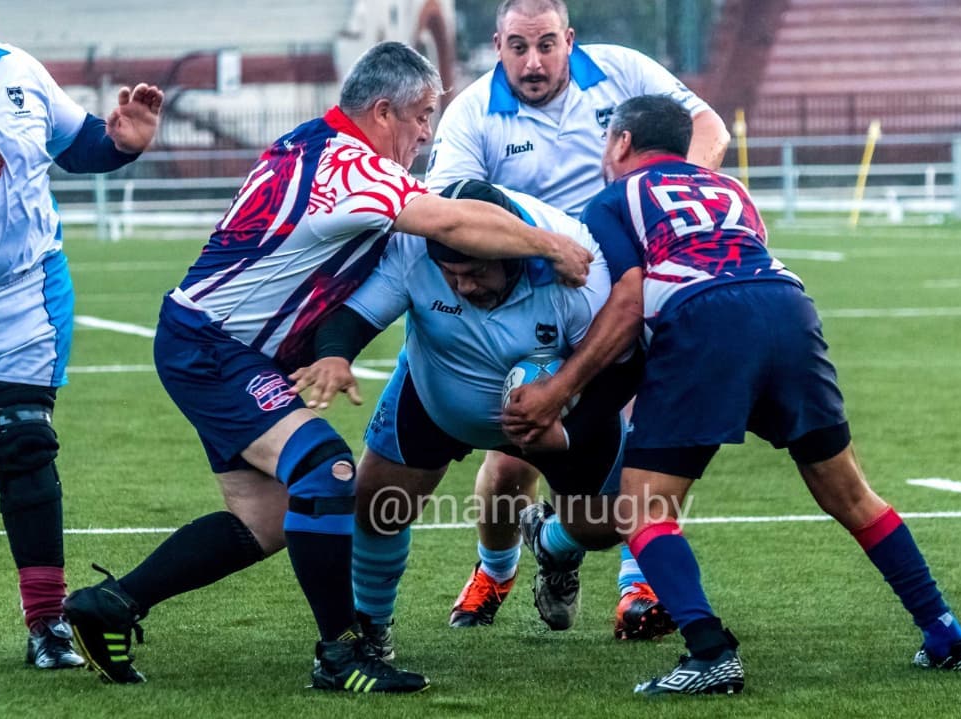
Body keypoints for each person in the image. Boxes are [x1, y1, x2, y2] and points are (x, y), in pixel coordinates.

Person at [61, 42, 591, 694]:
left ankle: (112, 602)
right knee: (329, 471)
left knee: (271, 518)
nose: (428, 131)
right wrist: (551, 245)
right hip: (217, 348)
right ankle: (341, 654)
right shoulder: (350, 167)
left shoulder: (314, 144)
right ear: (383, 109)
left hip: (218, 345)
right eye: (423, 115)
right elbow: (449, 217)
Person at [502, 94, 961, 696]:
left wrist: (558, 390)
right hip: (789, 308)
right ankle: (947, 635)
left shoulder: (612, 198)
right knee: (850, 494)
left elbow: (628, 302)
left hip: (705, 318)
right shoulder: (730, 190)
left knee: (641, 508)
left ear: (621, 143)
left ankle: (710, 654)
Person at [426, 0, 732, 639]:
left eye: (545, 45)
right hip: (532, 296)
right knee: (514, 458)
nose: (532, 62)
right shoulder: (472, 112)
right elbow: (454, 209)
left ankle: (636, 584)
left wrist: (666, 202)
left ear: (569, 38)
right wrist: (542, 244)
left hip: (625, 290)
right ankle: (498, 567)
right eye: (517, 47)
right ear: (498, 43)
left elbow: (708, 128)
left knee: (642, 439)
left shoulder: (623, 70)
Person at [290, 180, 641, 668]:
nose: (463, 286)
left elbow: (621, 364)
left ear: (514, 255)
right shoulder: (415, 248)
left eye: (476, 272)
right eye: (450, 274)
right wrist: (334, 356)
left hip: (555, 410)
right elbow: (355, 315)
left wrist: (567, 426)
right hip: (437, 396)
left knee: (608, 525)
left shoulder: (577, 268)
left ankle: (549, 540)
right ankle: (371, 629)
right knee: (377, 505)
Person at [0, 39, 163, 670]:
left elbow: (80, 143)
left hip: (21, 294)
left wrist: (123, 142)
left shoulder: (17, 70)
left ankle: (47, 625)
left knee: (23, 444)